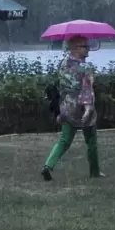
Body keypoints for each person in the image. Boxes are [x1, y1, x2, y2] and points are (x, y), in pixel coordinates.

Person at [41, 36, 103, 180]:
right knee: (91, 141)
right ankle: (94, 172)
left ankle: (48, 165)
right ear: (75, 48)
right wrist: (88, 109)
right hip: (82, 108)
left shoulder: (63, 64)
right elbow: (87, 90)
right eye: (85, 47)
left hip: (66, 107)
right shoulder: (85, 68)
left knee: (64, 140)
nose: (88, 49)